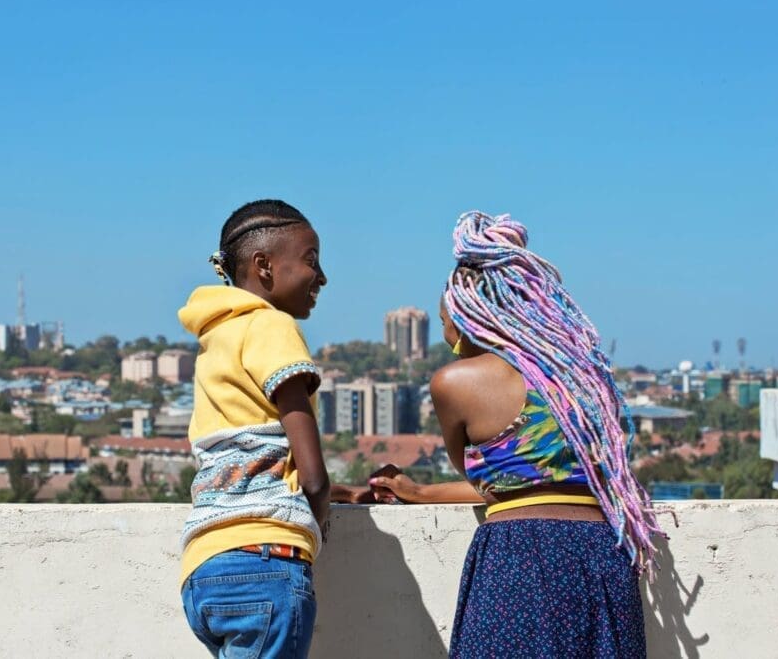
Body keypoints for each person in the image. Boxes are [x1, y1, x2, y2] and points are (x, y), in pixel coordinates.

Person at [369, 211, 664, 658]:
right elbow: (537, 488)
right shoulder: (581, 380)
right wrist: (420, 491)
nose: (444, 329)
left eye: (445, 317)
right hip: (602, 556)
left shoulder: (455, 383)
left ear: (471, 316)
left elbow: (488, 486)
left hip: (520, 558)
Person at [178, 199, 329, 658]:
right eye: (311, 261)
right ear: (264, 266)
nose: (322, 277)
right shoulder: (270, 325)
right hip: (267, 562)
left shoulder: (217, 337)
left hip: (204, 569)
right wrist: (320, 517)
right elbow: (314, 475)